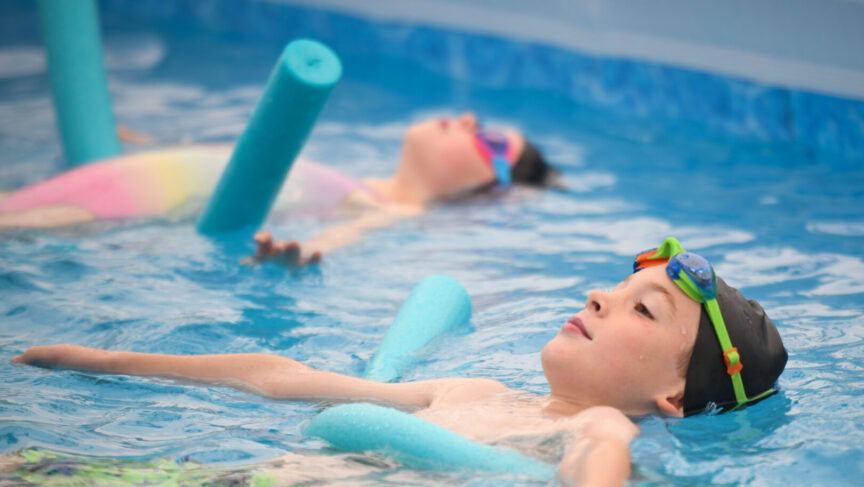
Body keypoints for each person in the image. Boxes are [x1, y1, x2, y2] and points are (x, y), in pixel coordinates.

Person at [12, 238, 787, 487]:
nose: (599, 295)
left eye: (641, 308)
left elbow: (602, 453)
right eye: (618, 284)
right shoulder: (473, 387)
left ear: (674, 397)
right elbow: (282, 376)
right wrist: (108, 358)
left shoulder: (593, 419)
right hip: (204, 483)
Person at [0, 112, 561, 265]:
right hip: (130, 192)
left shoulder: (387, 208)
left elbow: (348, 234)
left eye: (487, 138)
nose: (467, 119)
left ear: (490, 188)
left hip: (122, 216)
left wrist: (303, 256)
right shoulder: (354, 177)